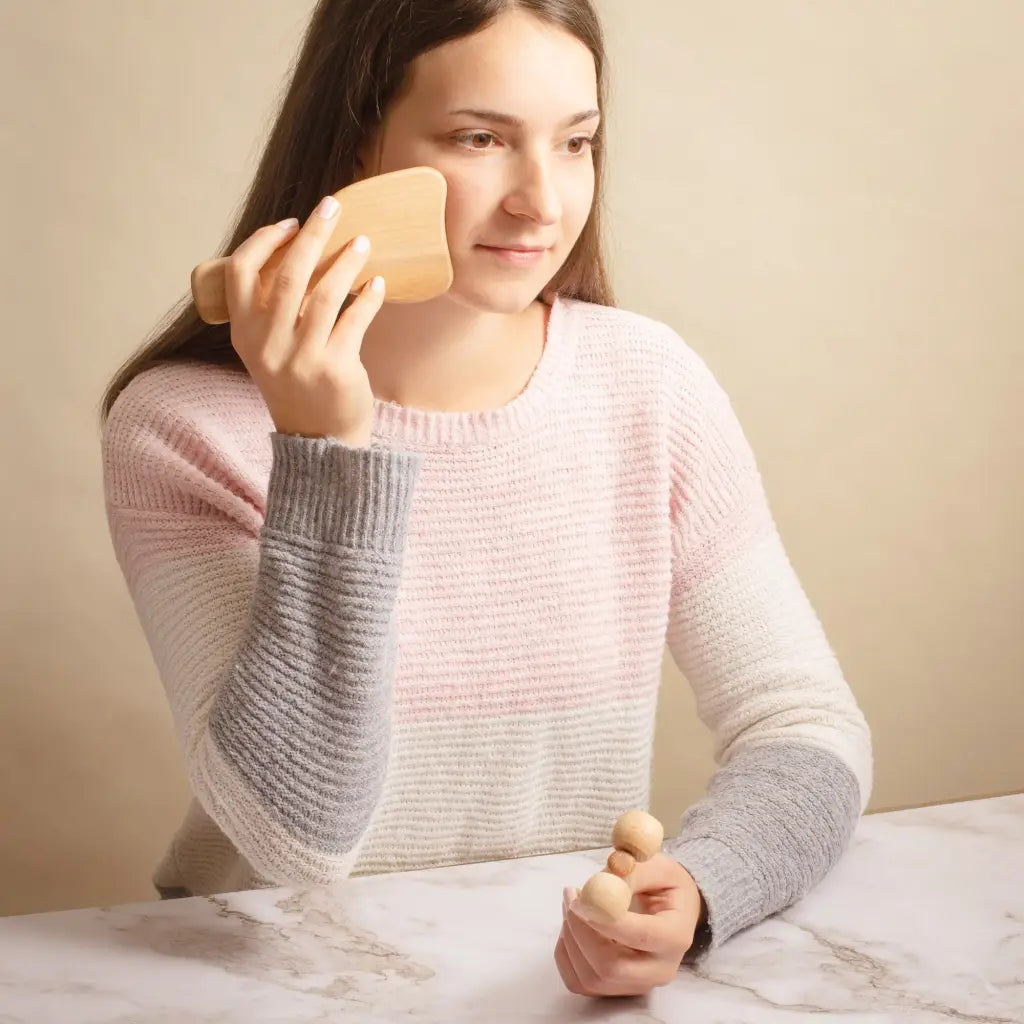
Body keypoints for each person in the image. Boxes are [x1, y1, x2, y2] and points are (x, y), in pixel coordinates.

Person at [98, 0, 873, 997]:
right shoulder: (182, 427)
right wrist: (325, 448)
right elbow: (295, 838)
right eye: (481, 139)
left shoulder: (648, 384)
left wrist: (702, 886)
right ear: (356, 146)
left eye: (577, 142)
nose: (543, 203)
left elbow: (803, 720)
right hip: (256, 987)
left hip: (536, 982)